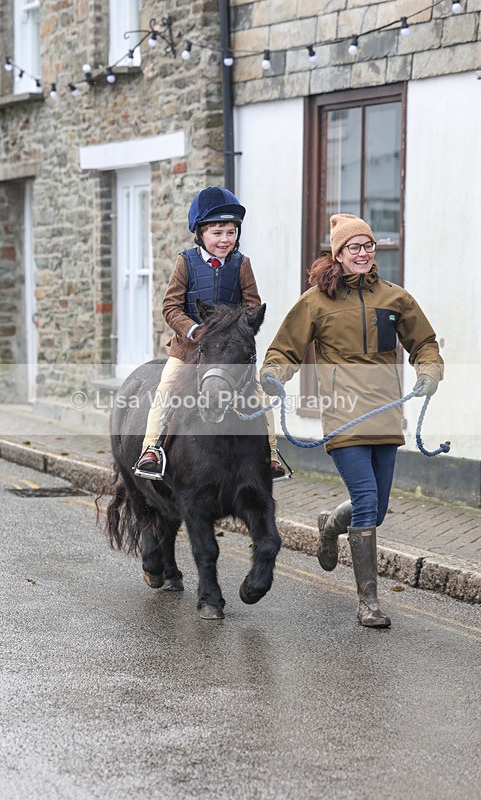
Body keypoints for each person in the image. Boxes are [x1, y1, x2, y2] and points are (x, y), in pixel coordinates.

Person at [260, 213, 444, 628]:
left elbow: (425, 344)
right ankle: (368, 603)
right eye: (353, 247)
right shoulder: (316, 302)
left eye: (368, 246)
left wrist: (429, 372)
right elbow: (285, 349)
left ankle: (329, 526)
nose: (363, 253)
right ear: (338, 255)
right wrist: (273, 374)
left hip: (385, 413)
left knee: (375, 511)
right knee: (365, 500)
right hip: (343, 416)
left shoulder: (395, 298)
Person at [134, 186, 289, 481]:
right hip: (190, 348)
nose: (225, 239)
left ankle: (271, 454)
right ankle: (151, 449)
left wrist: (239, 328)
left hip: (230, 351)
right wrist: (193, 330)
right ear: (200, 234)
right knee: (166, 390)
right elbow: (170, 306)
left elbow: (252, 306)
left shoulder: (242, 264)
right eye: (217, 233)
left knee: (257, 394)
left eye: (230, 232)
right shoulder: (186, 262)